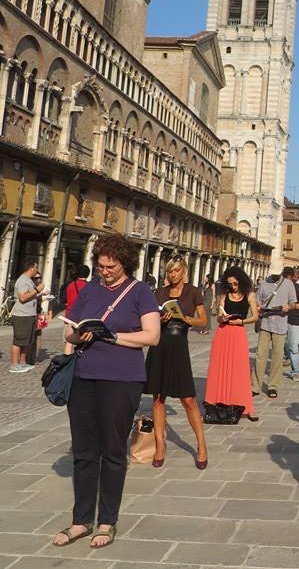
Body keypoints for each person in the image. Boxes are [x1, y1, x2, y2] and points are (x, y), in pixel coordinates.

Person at [53, 234, 160, 549]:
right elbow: (68, 330)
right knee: (83, 451)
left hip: (122, 379)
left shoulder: (140, 291)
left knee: (112, 451)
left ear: (125, 263)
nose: (105, 272)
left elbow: (152, 336)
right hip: (83, 377)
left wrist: (112, 336)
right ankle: (80, 520)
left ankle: (107, 521)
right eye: (100, 266)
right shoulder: (89, 290)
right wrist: (78, 335)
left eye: (110, 267)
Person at [145, 256, 209, 469]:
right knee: (158, 398)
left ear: (184, 272)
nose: (173, 275)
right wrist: (159, 318)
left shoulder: (194, 292)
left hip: (179, 345)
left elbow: (203, 320)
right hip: (160, 345)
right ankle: (160, 446)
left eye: (177, 271)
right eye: (170, 271)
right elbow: (148, 319)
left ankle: (201, 446)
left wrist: (187, 319)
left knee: (188, 399)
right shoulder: (159, 293)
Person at [205, 266, 259, 422]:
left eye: (235, 283)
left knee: (240, 370)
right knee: (219, 369)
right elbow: (218, 316)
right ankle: (218, 403)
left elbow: (255, 317)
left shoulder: (249, 295)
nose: (233, 286)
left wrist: (241, 321)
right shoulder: (224, 295)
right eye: (230, 284)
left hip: (238, 333)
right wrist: (222, 318)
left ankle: (248, 407)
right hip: (223, 333)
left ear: (241, 281)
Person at [252, 267, 297, 398]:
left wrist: (289, 307)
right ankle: (255, 386)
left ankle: (273, 386)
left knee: (277, 356)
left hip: (280, 324)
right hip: (265, 323)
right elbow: (257, 301)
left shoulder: (288, 284)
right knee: (260, 355)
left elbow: (293, 303)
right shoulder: (263, 284)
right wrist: (259, 307)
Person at [9, 258, 44, 373]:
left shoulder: (28, 280)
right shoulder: (23, 280)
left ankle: (22, 362)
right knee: (19, 340)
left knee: (27, 341)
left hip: (29, 315)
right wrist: (37, 290)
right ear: (32, 268)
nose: (37, 270)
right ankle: (14, 365)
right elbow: (23, 297)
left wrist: (38, 296)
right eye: (36, 267)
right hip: (22, 316)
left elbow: (29, 296)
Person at [285, 268, 299, 381]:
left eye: (297, 277)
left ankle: (294, 371)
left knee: (294, 347)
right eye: (293, 276)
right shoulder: (279, 287)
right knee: (280, 346)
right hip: (279, 320)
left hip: (293, 319)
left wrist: (291, 306)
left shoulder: (298, 288)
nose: (295, 279)